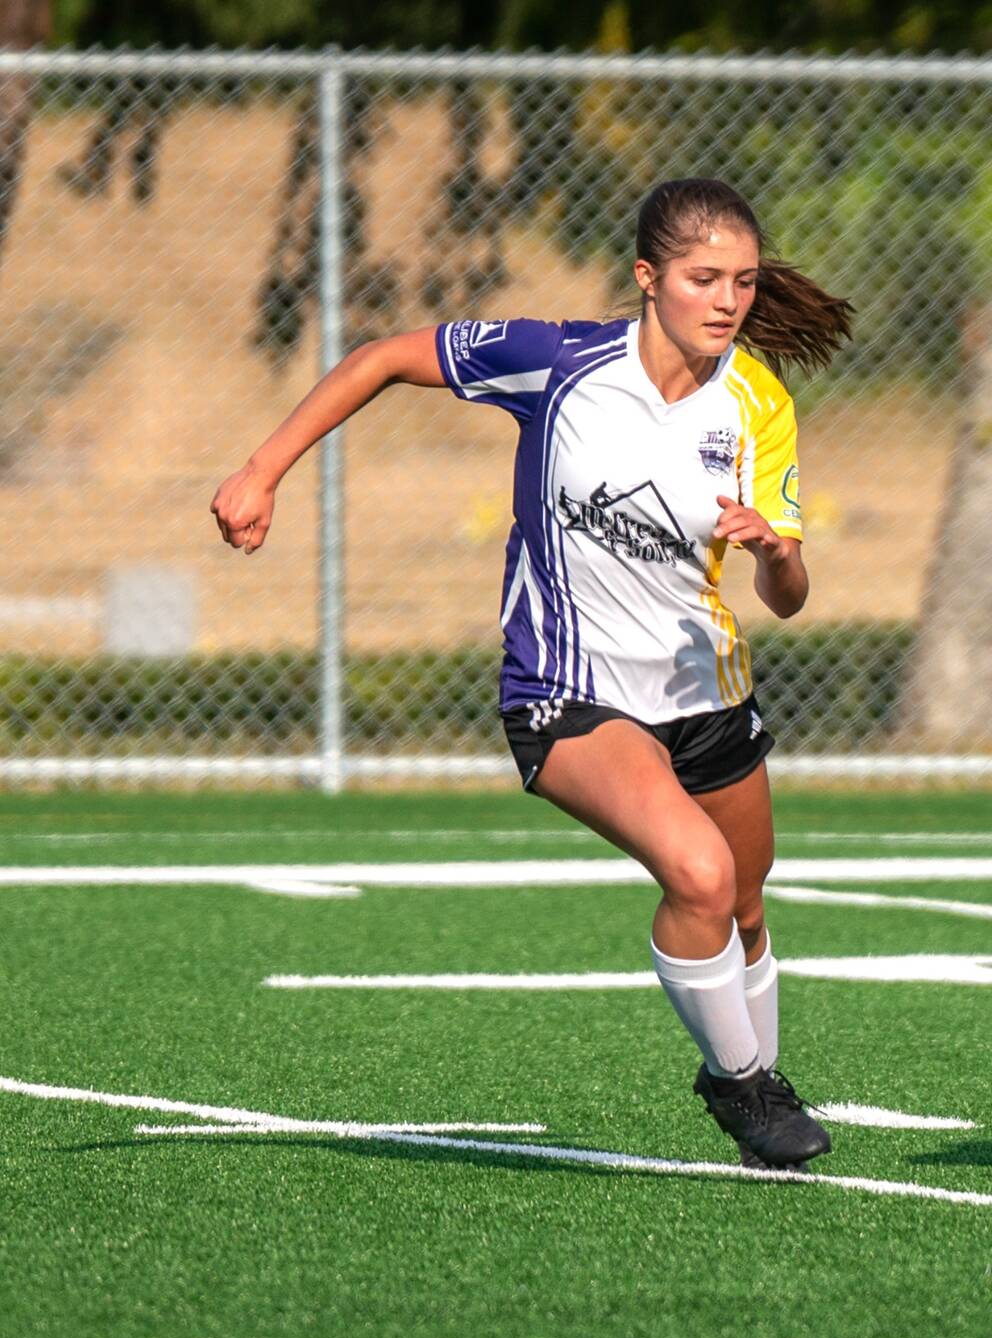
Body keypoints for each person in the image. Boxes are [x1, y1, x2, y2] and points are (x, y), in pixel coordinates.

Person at [209, 178, 853, 1170]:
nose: (727, 300)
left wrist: (773, 553)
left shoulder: (758, 401)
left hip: (707, 693)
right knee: (698, 874)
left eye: (743, 280)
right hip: (567, 694)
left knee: (745, 905)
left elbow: (791, 598)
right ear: (648, 278)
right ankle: (741, 1084)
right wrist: (261, 471)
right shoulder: (557, 364)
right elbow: (384, 357)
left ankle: (759, 1104)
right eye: (702, 278)